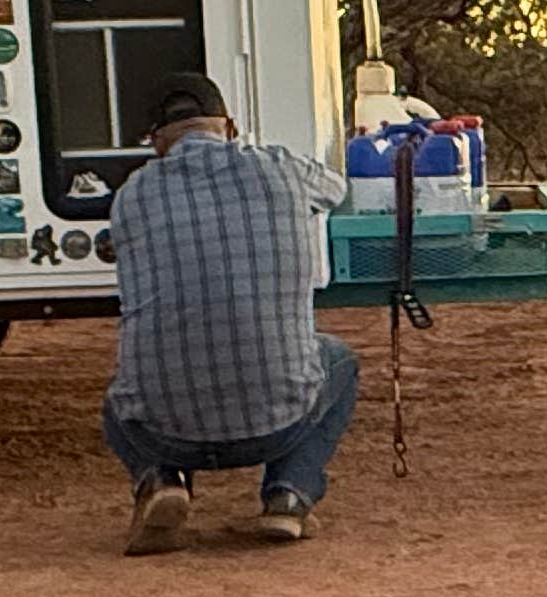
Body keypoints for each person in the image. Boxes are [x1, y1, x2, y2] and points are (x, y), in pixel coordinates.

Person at [98, 73, 358, 553]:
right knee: (339, 359)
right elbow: (336, 190)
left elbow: (113, 248)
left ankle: (160, 483)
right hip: (278, 424)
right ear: (231, 128)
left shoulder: (131, 196)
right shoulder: (281, 168)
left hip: (162, 432)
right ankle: (288, 496)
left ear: (155, 140)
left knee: (118, 398)